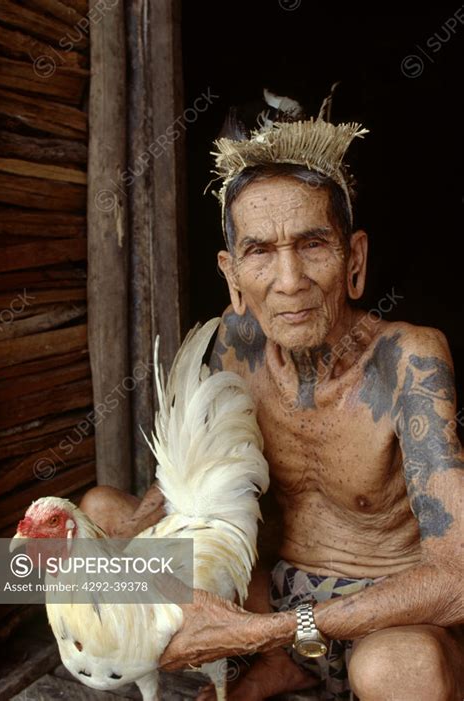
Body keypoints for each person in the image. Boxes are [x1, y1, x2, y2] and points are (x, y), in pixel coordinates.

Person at [80, 91, 463, 700]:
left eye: (313, 245)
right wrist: (121, 535)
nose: (290, 281)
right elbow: (196, 476)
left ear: (354, 259)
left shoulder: (407, 360)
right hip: (273, 596)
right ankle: (286, 665)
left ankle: (275, 661)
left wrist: (255, 633)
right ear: (232, 278)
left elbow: (459, 579)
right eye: (260, 251)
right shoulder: (235, 346)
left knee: (400, 670)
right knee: (96, 515)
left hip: (386, 617)